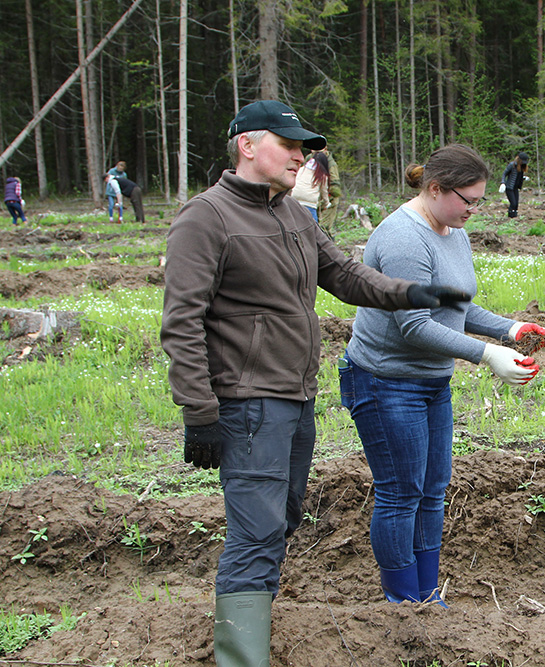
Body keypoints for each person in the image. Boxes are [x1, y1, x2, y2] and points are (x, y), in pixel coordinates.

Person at [160, 99, 471, 667]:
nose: (301, 157)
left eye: (304, 149)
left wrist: (415, 294)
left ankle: (254, 625)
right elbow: (182, 322)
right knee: (255, 531)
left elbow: (346, 276)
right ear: (248, 146)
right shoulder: (206, 218)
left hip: (296, 397)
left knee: (283, 517)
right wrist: (199, 412)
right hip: (246, 402)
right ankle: (240, 656)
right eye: (289, 146)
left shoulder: (292, 216)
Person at [341, 143, 545, 606]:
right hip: (386, 381)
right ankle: (402, 601)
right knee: (401, 492)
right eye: (468, 200)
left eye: (479, 200)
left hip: (430, 382)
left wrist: (510, 329)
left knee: (433, 490)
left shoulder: (452, 228)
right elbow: (414, 326)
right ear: (435, 189)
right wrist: (486, 355)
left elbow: (455, 304)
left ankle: (426, 594)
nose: (475, 210)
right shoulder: (403, 240)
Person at [289, 150, 330, 223]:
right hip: (309, 202)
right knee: (313, 228)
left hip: (295, 199)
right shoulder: (322, 175)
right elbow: (324, 191)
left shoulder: (302, 169)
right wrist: (327, 203)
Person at [320, 149, 343, 232]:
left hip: (328, 196)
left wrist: (331, 197)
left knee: (325, 225)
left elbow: (334, 181)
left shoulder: (330, 163)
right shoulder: (310, 159)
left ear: (325, 149)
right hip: (313, 196)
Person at [501, 151, 529, 218]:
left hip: (515, 188)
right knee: (513, 203)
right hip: (509, 187)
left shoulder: (522, 167)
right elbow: (504, 174)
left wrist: (523, 178)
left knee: (516, 204)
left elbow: (518, 177)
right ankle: (510, 216)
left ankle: (515, 216)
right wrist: (503, 183)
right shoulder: (512, 165)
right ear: (519, 160)